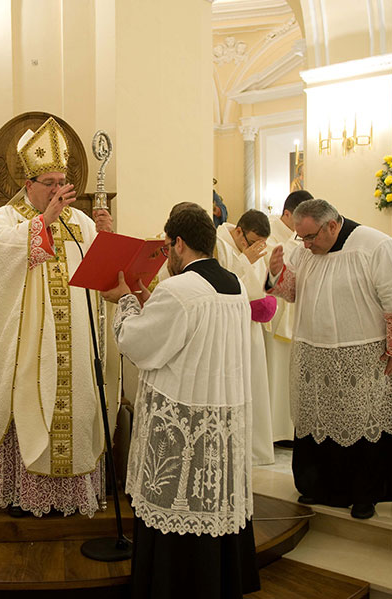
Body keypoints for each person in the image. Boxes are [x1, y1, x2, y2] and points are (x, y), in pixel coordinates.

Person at [102, 202, 259, 599]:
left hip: (182, 421)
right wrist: (146, 300)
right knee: (210, 505)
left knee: (177, 504)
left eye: (169, 245)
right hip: (219, 416)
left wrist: (123, 300)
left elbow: (137, 342)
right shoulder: (235, 285)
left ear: (179, 243)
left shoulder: (179, 289)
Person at [0, 116, 118, 518]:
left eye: (63, 182)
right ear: (29, 186)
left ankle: (71, 497)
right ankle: (24, 495)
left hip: (74, 345)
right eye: (50, 184)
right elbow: (1, 253)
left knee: (73, 411)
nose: (59, 191)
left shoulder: (82, 221)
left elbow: (103, 274)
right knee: (28, 407)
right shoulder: (5, 219)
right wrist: (46, 222)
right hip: (29, 348)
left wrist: (104, 235)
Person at [267, 199, 392, 519]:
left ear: (332, 225)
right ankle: (319, 485)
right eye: (300, 237)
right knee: (317, 418)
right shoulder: (305, 251)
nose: (304, 244)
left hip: (365, 355)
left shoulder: (375, 246)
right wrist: (278, 273)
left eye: (310, 237)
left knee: (363, 423)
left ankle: (365, 494)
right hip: (313, 354)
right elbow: (294, 291)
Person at [214, 209, 274, 465]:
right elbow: (221, 283)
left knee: (255, 385)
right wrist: (244, 260)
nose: (254, 248)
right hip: (229, 328)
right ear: (238, 231)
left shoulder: (253, 246)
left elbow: (259, 282)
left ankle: (256, 448)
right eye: (250, 242)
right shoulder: (218, 244)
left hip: (251, 328)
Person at [265, 190, 313, 445]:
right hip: (275, 315)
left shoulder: (298, 238)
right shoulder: (270, 234)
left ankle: (293, 427)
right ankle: (276, 431)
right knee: (277, 371)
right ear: (286, 214)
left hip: (297, 313)